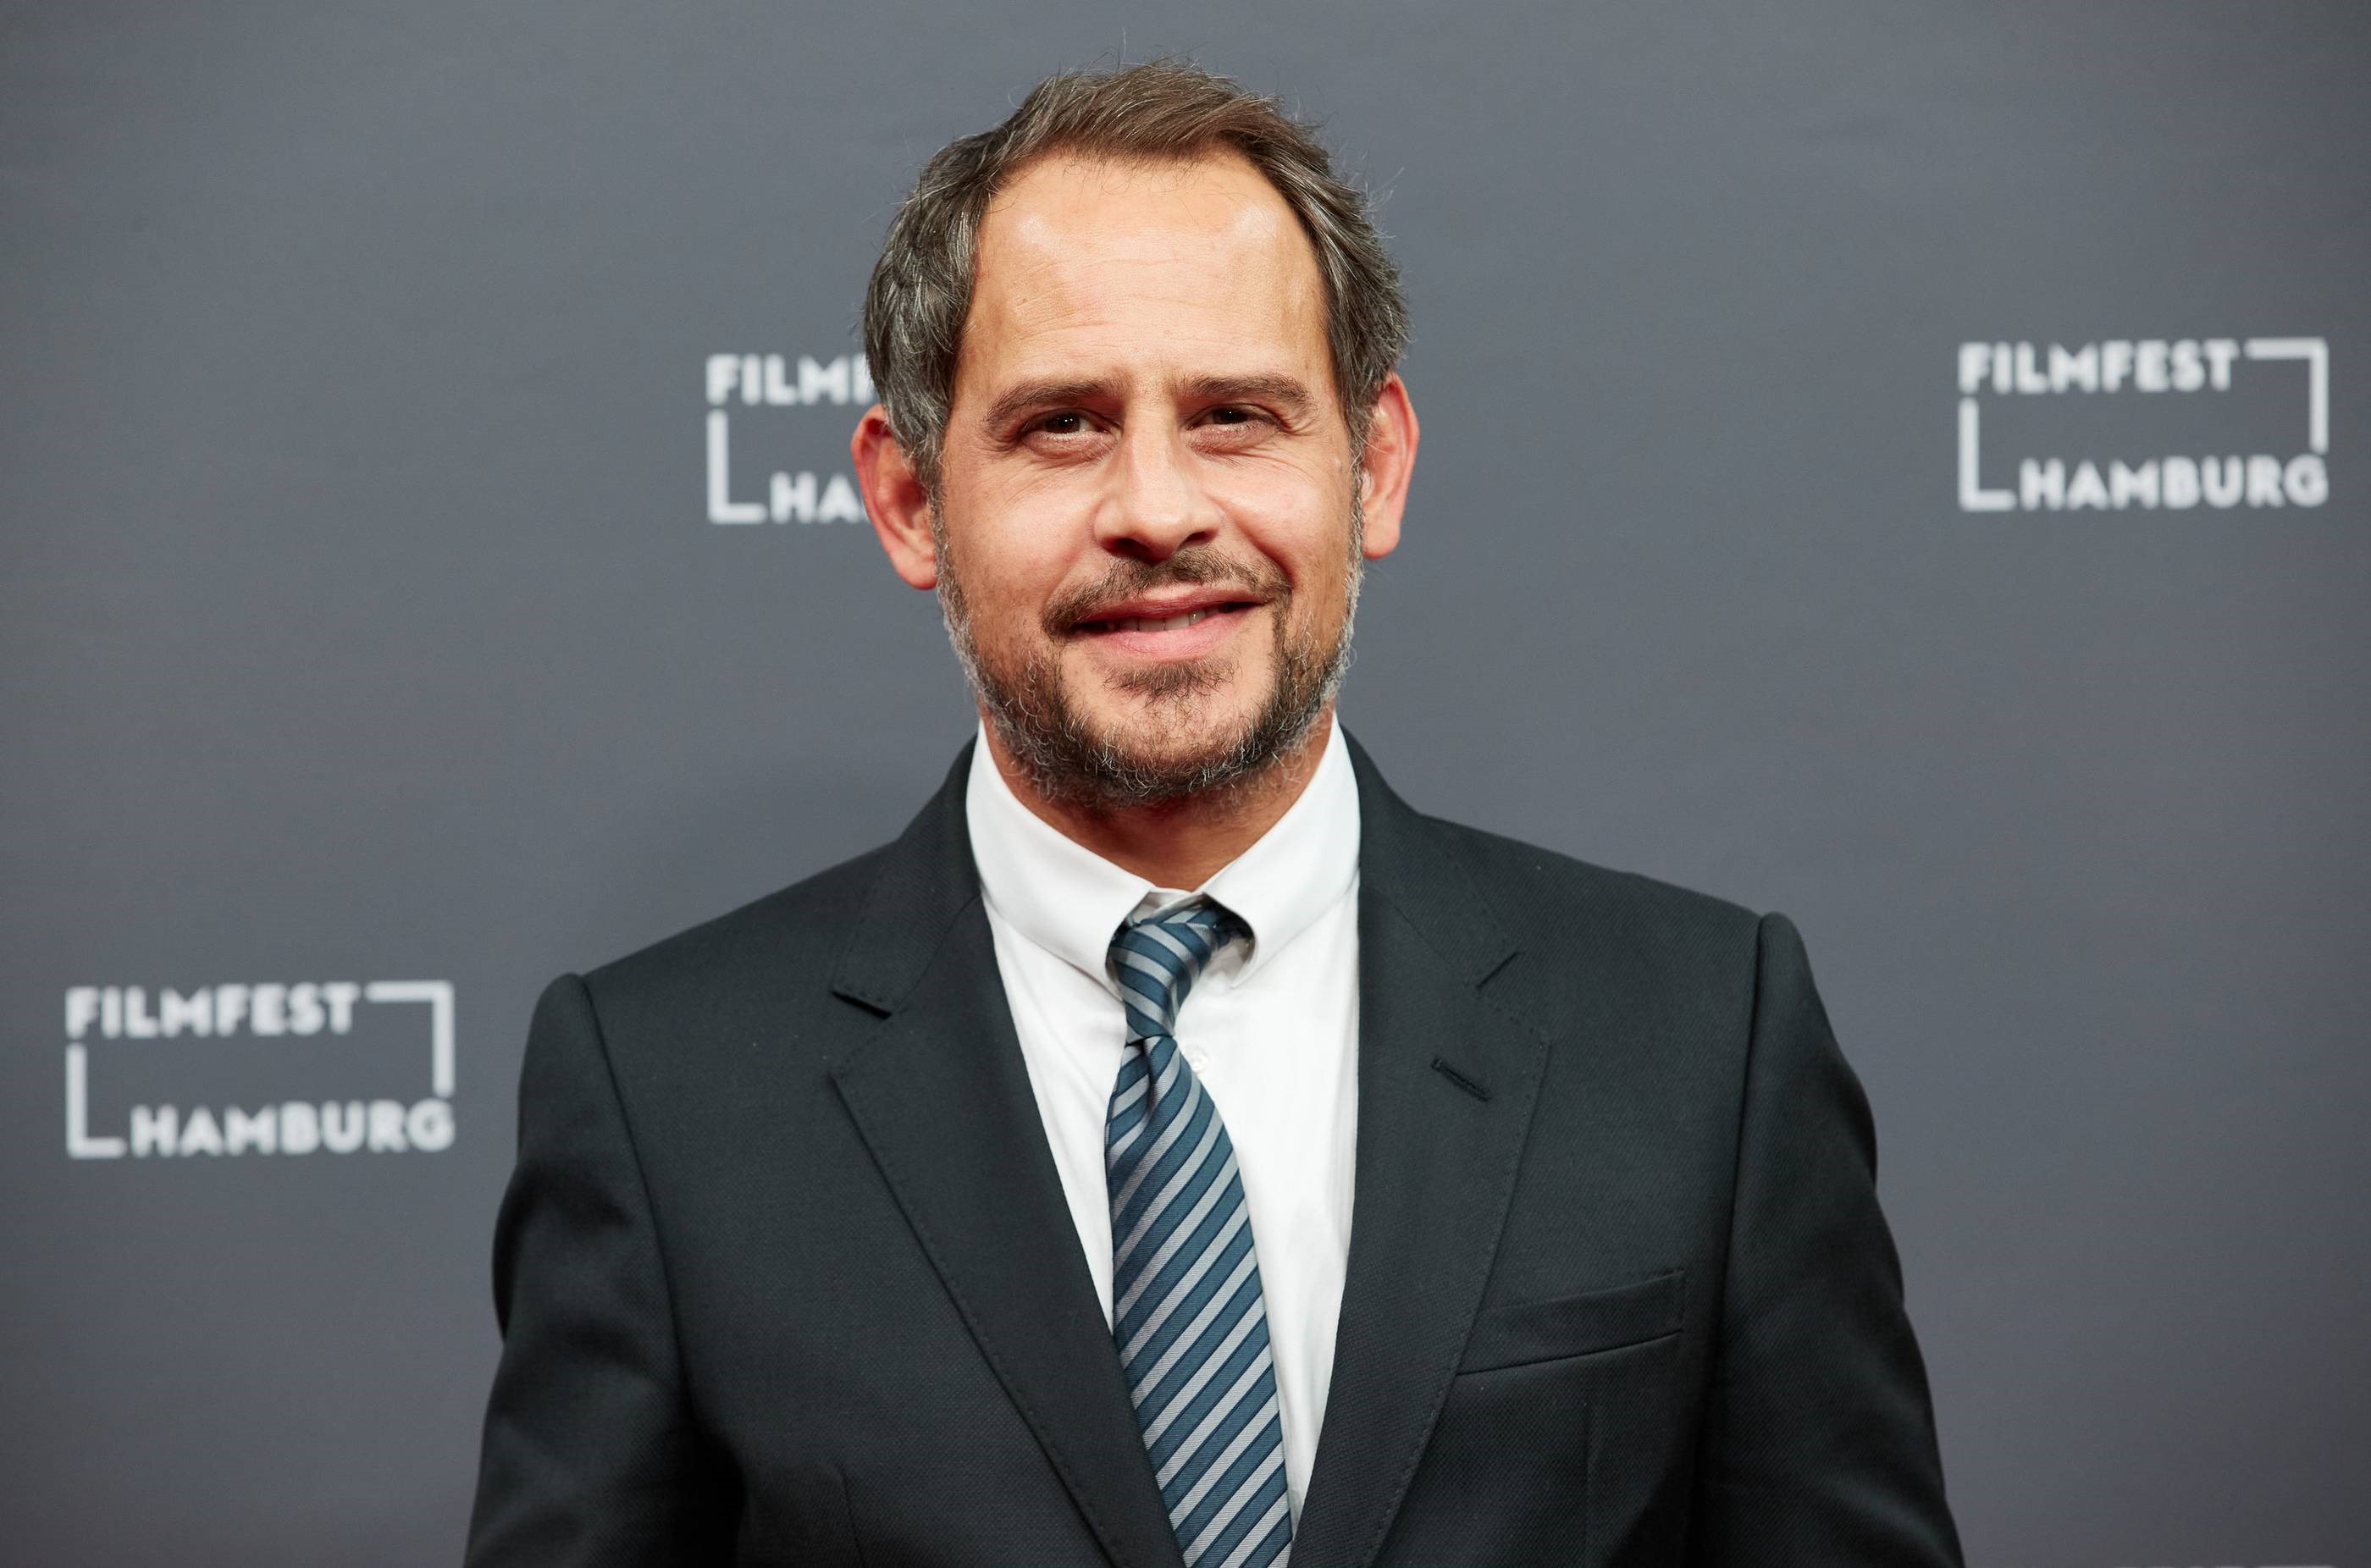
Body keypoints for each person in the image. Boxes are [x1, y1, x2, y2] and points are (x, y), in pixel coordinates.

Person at [465, 58, 1963, 1568]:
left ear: (1373, 467)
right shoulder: (662, 1100)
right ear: (912, 500)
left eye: (1237, 414)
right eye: (1063, 426)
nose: (1160, 510)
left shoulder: (1704, 1040)